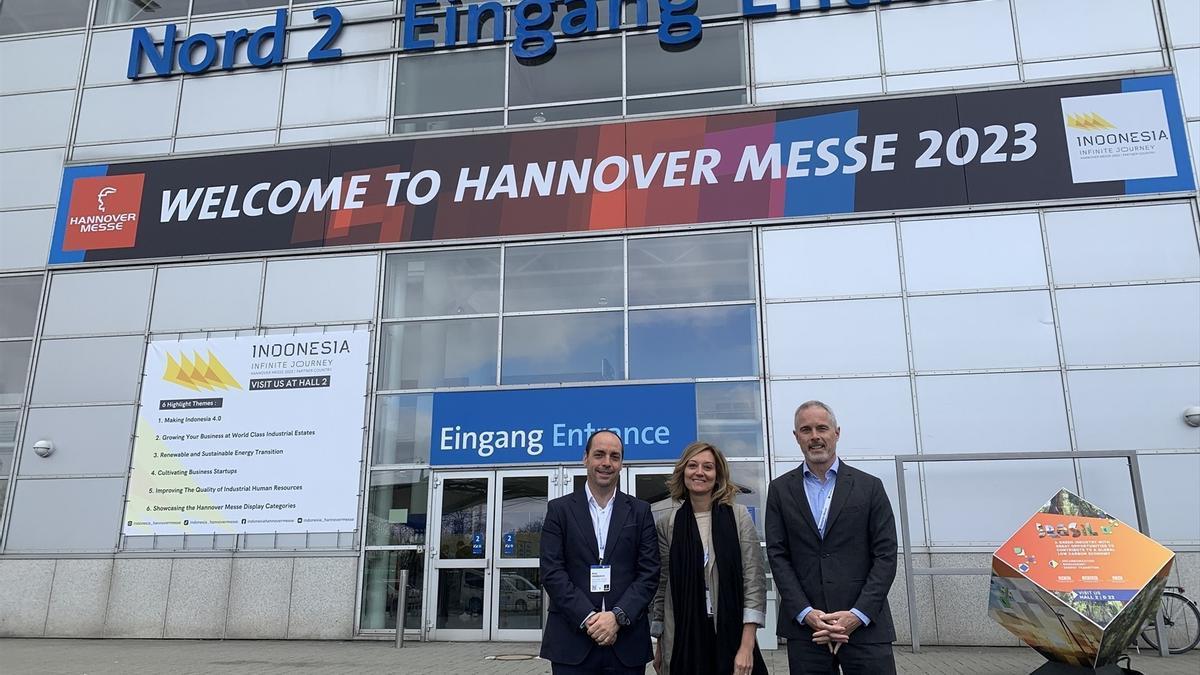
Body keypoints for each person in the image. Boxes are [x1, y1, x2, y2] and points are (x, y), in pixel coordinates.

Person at [765, 400, 898, 675]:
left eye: (822, 428)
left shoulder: (870, 487)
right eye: (806, 430)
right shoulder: (779, 490)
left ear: (836, 432)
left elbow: (885, 555)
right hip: (807, 632)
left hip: (865, 628)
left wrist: (856, 615)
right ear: (796, 437)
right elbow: (778, 557)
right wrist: (807, 613)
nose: (815, 436)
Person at [540, 429, 660, 674]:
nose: (607, 463)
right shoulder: (559, 510)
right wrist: (589, 618)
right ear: (585, 458)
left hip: (626, 642)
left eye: (614, 456)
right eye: (599, 454)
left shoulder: (640, 511)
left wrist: (616, 617)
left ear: (621, 464)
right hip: (572, 641)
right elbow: (552, 572)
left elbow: (649, 572)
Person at [651, 441, 768, 675]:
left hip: (730, 633)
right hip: (685, 635)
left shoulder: (738, 516)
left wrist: (747, 646)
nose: (700, 472)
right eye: (692, 465)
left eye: (708, 467)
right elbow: (663, 586)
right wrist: (660, 645)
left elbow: (753, 582)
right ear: (683, 471)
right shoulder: (668, 524)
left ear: (718, 474)